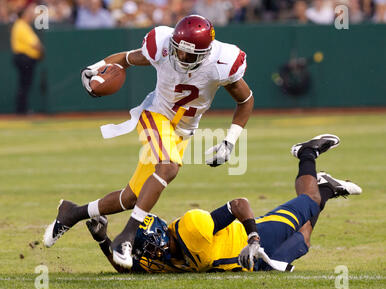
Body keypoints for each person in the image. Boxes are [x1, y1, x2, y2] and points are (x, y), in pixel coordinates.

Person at [43, 15, 254, 271]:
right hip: (155, 115)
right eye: (178, 50)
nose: (180, 58)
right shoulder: (163, 46)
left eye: (189, 55)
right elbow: (127, 58)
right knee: (168, 168)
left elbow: (245, 100)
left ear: (205, 52)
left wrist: (230, 141)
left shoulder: (223, 62)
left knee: (132, 197)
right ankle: (127, 237)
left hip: (183, 131)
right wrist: (95, 67)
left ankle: (71, 213)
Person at [86, 134, 362, 273]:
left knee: (309, 202)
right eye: (142, 249)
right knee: (304, 238)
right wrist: (102, 240)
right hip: (249, 265)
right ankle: (325, 187)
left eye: (147, 247)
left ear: (159, 234)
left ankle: (307, 154)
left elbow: (238, 205)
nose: (149, 254)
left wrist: (253, 238)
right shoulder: (160, 257)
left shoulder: (191, 228)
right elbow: (129, 268)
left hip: (253, 238)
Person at [10, 2, 45, 114]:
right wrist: (41, 50)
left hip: (24, 59)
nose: (31, 15)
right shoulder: (21, 25)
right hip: (24, 59)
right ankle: (21, 110)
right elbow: (35, 44)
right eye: (29, 13)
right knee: (24, 85)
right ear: (24, 14)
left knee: (24, 85)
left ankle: (21, 109)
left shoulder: (22, 25)